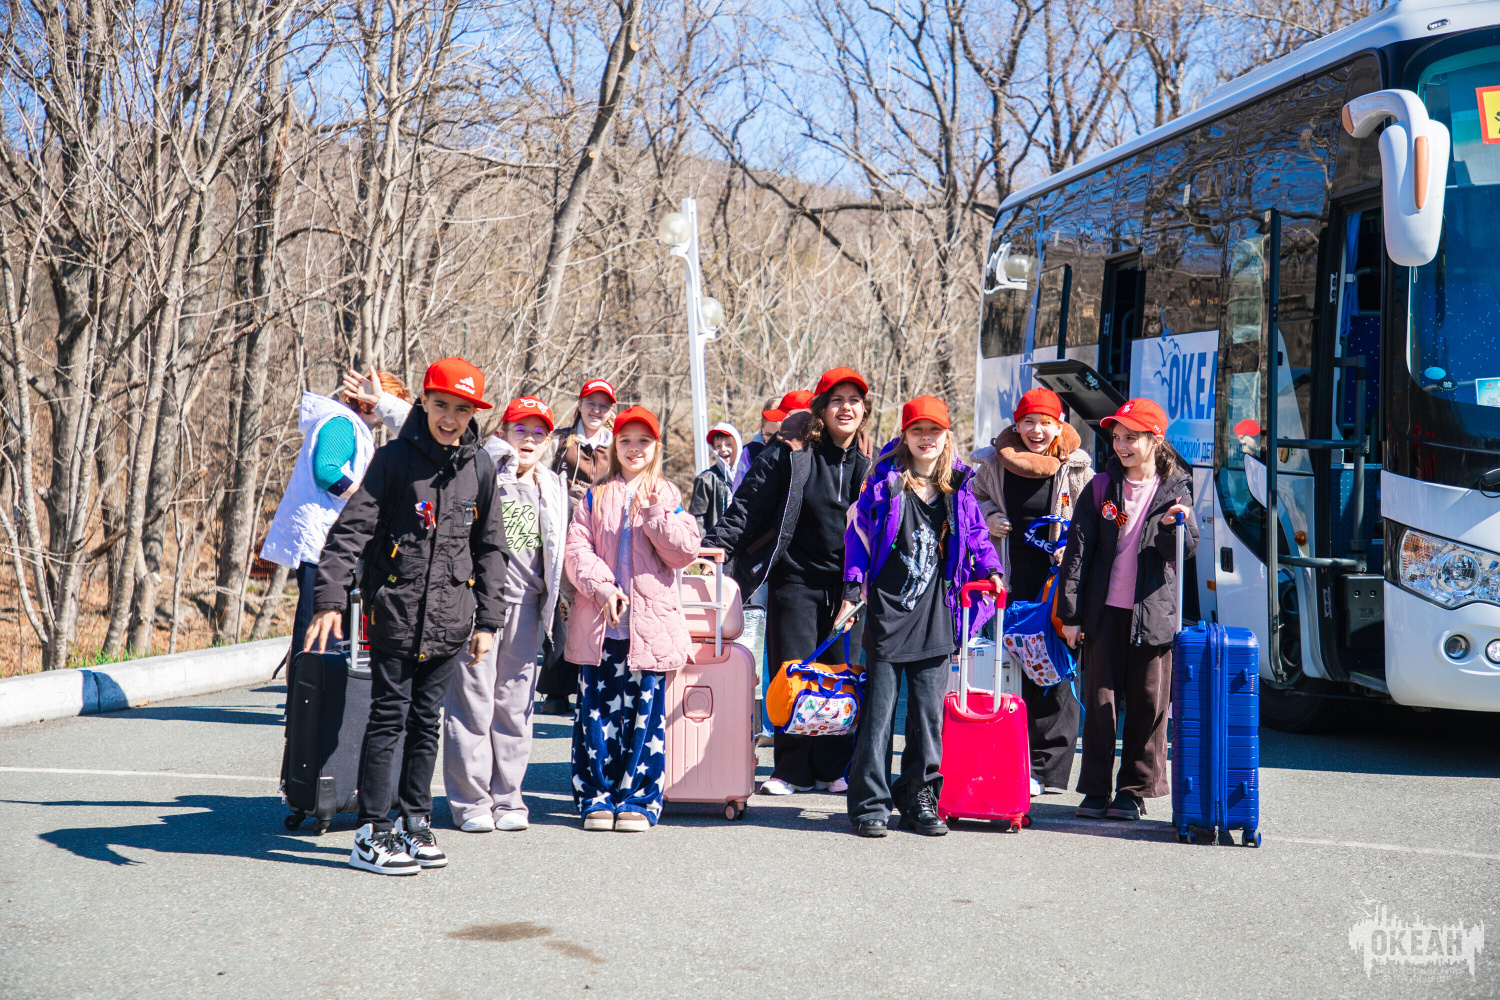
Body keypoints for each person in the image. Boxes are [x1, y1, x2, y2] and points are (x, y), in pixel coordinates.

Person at [307, 358, 507, 876]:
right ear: (423, 402)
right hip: (395, 615)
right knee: (389, 719)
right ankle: (373, 832)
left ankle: (415, 821)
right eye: (441, 405)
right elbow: (350, 531)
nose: (449, 418)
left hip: (450, 622)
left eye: (461, 410)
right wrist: (328, 599)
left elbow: (490, 549)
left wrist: (488, 621)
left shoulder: (481, 467)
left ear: (472, 414)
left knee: (426, 724)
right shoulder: (394, 460)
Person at [840, 396, 1004, 838]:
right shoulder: (884, 482)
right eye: (918, 431)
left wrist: (992, 570)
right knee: (878, 716)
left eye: (935, 431)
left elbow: (975, 535)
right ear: (906, 436)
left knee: (928, 717)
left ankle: (919, 798)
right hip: (888, 615)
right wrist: (853, 590)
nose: (926, 438)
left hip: (938, 616)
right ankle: (870, 805)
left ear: (946, 435)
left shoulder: (959, 486)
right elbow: (857, 537)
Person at [708, 368, 872, 796]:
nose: (846, 407)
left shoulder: (870, 466)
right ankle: (792, 769)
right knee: (794, 671)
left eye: (854, 400)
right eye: (837, 400)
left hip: (845, 586)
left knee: (839, 677)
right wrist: (711, 551)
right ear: (821, 409)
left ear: (864, 411)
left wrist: (856, 592)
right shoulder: (792, 452)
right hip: (795, 579)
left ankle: (832, 768)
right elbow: (749, 505)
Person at [1055, 398, 1197, 822]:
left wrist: (1175, 528)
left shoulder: (1176, 490)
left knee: (1148, 704)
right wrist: (1072, 616)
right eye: (1117, 437)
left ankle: (1132, 791)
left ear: (1155, 439)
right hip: (1103, 614)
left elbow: (1186, 553)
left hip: (1152, 615)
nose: (1121, 445)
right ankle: (1096, 790)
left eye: (1131, 437)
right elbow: (1076, 555)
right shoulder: (1100, 487)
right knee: (1100, 706)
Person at [563, 405, 700, 832]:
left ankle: (640, 800)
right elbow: (576, 551)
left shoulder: (668, 494)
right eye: (625, 440)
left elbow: (686, 551)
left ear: (655, 447)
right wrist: (603, 588)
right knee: (596, 718)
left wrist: (658, 515)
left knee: (645, 720)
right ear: (613, 445)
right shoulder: (594, 495)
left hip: (650, 631)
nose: (634, 448)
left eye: (643, 441)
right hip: (600, 628)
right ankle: (596, 796)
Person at [443, 396, 568, 834]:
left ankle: (508, 798)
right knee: (472, 704)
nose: (529, 439)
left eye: (538, 432)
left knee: (515, 707)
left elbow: (555, 552)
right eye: (520, 429)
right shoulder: (483, 470)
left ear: (549, 440)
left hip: (529, 609)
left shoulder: (552, 485)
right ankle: (470, 800)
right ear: (503, 432)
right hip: (481, 607)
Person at [969, 386, 1093, 795]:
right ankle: (1012, 758)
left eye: (1045, 422)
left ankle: (1048, 769)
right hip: (1008, 578)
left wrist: (1069, 544)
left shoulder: (1076, 466)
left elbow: (1091, 518)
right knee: (1012, 667)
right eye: (1028, 422)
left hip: (1056, 584)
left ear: (1059, 425)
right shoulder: (991, 462)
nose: (1036, 430)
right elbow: (972, 498)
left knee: (1054, 668)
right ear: (1016, 424)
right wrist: (988, 518)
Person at [263, 372, 409, 660]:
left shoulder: (353, 427)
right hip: (322, 541)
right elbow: (327, 471)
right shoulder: (342, 423)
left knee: (321, 631)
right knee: (315, 629)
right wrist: (369, 498)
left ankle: (309, 698)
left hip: (330, 541)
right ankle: (305, 701)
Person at [537, 378, 618, 716]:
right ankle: (556, 689)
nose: (596, 410)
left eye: (603, 404)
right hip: (560, 532)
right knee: (561, 606)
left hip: (602, 535)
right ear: (580, 404)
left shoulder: (617, 444)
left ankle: (593, 683)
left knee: (597, 604)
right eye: (591, 403)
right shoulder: (558, 441)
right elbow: (536, 477)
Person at [733, 394, 803, 489]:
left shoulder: (799, 452)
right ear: (762, 428)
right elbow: (739, 488)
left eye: (779, 434)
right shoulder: (750, 453)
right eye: (768, 434)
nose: (773, 440)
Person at [688, 421, 743, 534]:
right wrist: (705, 548)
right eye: (718, 446)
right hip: (718, 544)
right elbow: (697, 520)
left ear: (737, 445)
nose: (723, 449)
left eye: (728, 444)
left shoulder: (747, 475)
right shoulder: (705, 480)